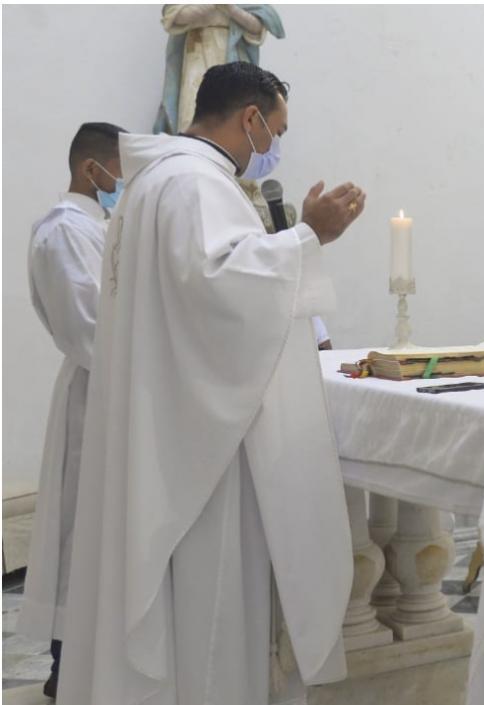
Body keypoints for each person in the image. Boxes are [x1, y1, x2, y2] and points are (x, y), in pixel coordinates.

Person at [59, 62, 365, 705]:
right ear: (250, 118)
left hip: (167, 423)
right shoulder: (196, 184)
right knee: (210, 608)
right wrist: (313, 235)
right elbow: (223, 288)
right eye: (276, 130)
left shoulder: (154, 182)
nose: (274, 148)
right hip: (202, 452)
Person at [18, 121, 127, 699]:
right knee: (80, 538)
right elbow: (90, 328)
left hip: (118, 394)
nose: (123, 187)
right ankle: (69, 669)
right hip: (96, 396)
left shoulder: (98, 227)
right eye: (121, 175)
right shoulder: (64, 234)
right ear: (93, 170)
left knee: (102, 537)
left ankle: (98, 663)